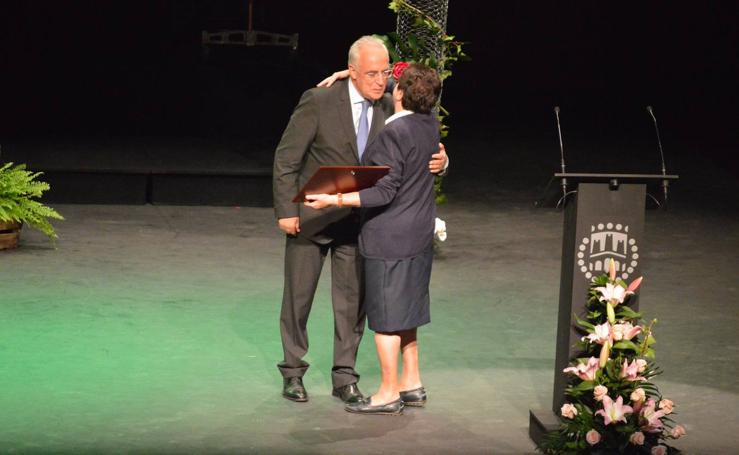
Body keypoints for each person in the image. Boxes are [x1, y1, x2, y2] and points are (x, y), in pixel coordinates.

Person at [272, 36, 448, 405]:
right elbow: (287, 158)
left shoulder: (394, 104)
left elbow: (422, 116)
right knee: (298, 299)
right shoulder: (319, 100)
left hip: (360, 221)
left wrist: (443, 160)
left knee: (352, 305)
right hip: (313, 216)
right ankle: (293, 371)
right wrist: (286, 211)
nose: (379, 80)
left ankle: (344, 376)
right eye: (370, 73)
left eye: (385, 72)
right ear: (351, 71)